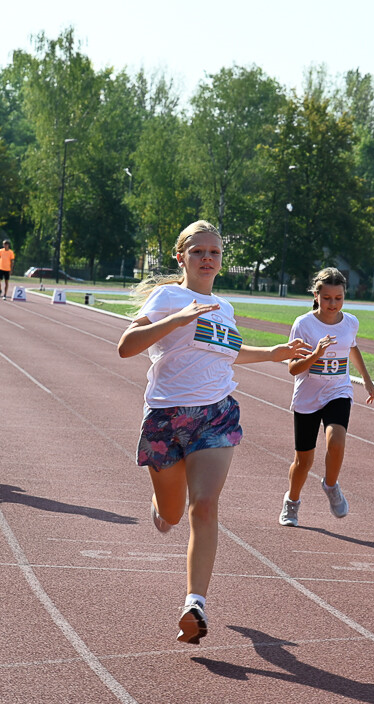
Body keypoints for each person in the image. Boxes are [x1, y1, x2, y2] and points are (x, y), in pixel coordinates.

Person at [116, 220, 310, 645]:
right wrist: (178, 318)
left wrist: (273, 353)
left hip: (216, 415)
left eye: (215, 253)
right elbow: (127, 346)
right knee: (169, 515)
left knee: (203, 507)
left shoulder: (224, 308)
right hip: (166, 418)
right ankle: (161, 505)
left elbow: (226, 354)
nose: (207, 259)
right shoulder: (168, 296)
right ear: (181, 256)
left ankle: (194, 603)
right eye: (199, 251)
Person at [279, 267, 374, 527]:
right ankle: (292, 501)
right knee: (303, 461)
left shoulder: (351, 322)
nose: (332, 304)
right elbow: (293, 368)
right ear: (316, 295)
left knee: (336, 439)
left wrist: (367, 380)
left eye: (338, 298)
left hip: (338, 391)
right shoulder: (304, 324)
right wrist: (315, 354)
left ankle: (331, 485)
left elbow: (352, 347)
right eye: (327, 298)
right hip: (308, 396)